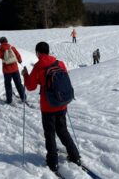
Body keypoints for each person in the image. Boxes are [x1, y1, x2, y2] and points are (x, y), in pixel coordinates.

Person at [22, 41, 80, 172]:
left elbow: (30, 86)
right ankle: (75, 155)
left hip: (48, 106)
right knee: (62, 130)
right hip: (62, 103)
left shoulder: (38, 67)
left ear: (38, 52)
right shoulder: (60, 63)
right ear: (48, 51)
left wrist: (25, 74)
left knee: (50, 134)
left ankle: (52, 162)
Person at [0, 37, 26, 104]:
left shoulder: (0, 50)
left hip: (7, 71)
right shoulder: (12, 47)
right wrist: (20, 61)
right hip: (15, 69)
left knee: (8, 85)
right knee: (18, 84)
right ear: (7, 41)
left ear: (0, 42)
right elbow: (18, 55)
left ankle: (9, 100)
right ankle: (23, 97)